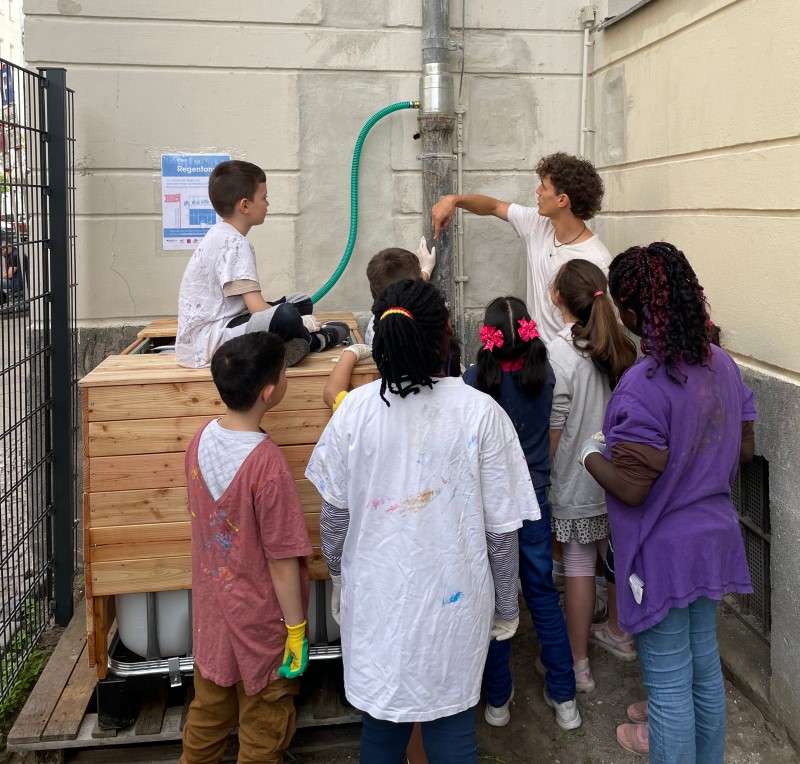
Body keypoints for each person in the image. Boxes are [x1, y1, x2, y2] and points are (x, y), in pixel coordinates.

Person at [305, 278, 538, 763]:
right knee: (453, 730)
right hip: (454, 605)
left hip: (376, 601)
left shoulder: (353, 414)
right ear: (444, 337)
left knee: (381, 731)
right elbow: (501, 534)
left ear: (379, 342)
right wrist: (506, 608)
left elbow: (333, 521)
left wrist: (341, 579)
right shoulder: (482, 415)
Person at [581, 242, 756, 763]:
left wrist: (591, 454)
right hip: (715, 539)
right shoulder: (721, 364)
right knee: (704, 665)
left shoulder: (642, 385)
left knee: (669, 688)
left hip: (661, 553)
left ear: (632, 314)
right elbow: (744, 448)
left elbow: (634, 487)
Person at [180, 331, 313, 764]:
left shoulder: (200, 440)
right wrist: (295, 629)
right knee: (264, 727)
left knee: (207, 718)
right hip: (262, 624)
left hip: (213, 617)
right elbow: (281, 558)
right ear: (270, 392)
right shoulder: (267, 465)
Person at [462, 296, 580, 731]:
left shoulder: (475, 380)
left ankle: (497, 700)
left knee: (496, 600)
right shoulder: (544, 374)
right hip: (535, 499)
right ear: (530, 330)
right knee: (543, 595)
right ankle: (565, 698)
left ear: (488, 337)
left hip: (489, 505)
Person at [547, 259, 637, 694]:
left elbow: (556, 425)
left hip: (576, 478)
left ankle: (578, 665)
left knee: (580, 566)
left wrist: (542, 475)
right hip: (618, 475)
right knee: (616, 559)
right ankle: (620, 634)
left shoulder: (559, 352)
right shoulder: (620, 342)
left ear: (557, 297)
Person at [176, 159, 348, 369]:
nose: (268, 203)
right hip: (211, 344)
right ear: (245, 205)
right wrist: (299, 321)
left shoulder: (220, 234)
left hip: (213, 333)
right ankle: (315, 340)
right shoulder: (235, 243)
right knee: (286, 316)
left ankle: (294, 343)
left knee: (301, 302)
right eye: (264, 197)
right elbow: (257, 307)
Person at [431, 152, 610, 344]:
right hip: (536, 359)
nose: (537, 191)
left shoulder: (596, 259)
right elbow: (493, 206)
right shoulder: (537, 223)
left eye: (544, 186)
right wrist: (454, 200)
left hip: (570, 365)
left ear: (562, 200)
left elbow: (603, 331)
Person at [322, 243, 435, 411]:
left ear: (374, 293)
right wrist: (424, 271)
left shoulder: (364, 410)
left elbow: (332, 394)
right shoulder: (427, 327)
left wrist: (351, 353)